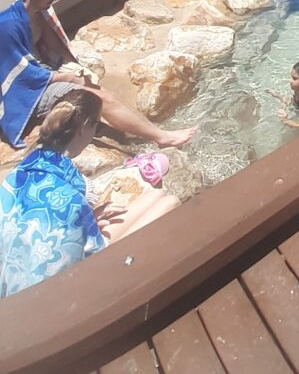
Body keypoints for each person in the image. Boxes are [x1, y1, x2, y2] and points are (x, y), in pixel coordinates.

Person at [0, 89, 179, 297]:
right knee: (169, 201)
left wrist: (89, 220)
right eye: (97, 126)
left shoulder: (14, 177)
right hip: (61, 295)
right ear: (85, 128)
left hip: (11, 289)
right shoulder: (73, 195)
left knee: (157, 196)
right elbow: (95, 254)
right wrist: (87, 221)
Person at [0, 0, 197, 150]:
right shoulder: (8, 26)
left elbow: (54, 45)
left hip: (42, 75)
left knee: (100, 90)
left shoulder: (37, 12)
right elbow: (19, 74)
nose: (54, 0)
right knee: (98, 99)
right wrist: (67, 78)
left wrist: (75, 67)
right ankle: (163, 138)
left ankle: (147, 130)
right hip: (28, 91)